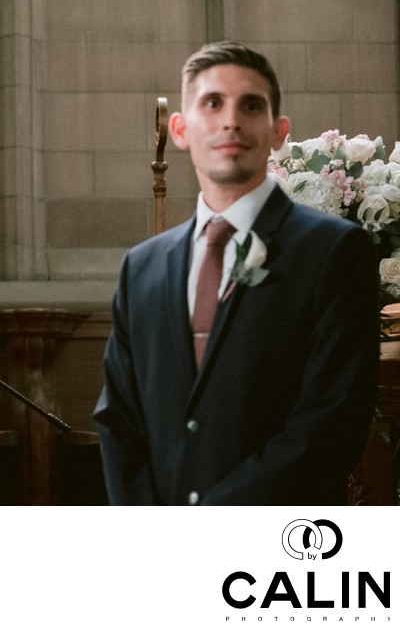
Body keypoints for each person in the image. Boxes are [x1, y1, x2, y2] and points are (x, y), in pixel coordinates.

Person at [93, 41, 379, 505]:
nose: (231, 120)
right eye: (212, 103)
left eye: (251, 105)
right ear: (181, 130)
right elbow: (118, 418)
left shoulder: (332, 252)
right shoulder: (141, 267)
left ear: (278, 131)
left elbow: (331, 418)